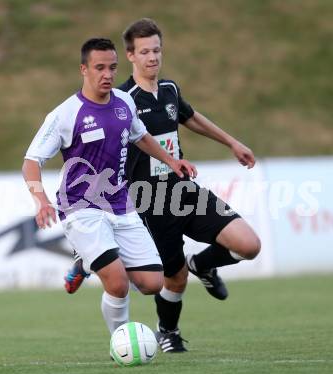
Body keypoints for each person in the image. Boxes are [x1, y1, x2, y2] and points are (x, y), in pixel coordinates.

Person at [66, 19, 261, 352]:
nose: (152, 57)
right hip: (148, 201)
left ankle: (204, 263)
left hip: (184, 190)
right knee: (170, 278)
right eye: (144, 51)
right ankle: (167, 332)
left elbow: (191, 117)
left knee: (248, 244)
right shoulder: (122, 99)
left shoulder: (169, 90)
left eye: (156, 50)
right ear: (130, 55)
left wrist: (232, 142)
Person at [22, 37, 197, 340]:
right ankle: (122, 342)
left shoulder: (124, 102)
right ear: (84, 70)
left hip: (120, 203)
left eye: (112, 68)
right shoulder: (65, 114)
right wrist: (41, 200)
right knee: (116, 282)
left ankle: (88, 259)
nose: (107, 74)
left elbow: (140, 136)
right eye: (99, 68)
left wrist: (171, 160)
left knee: (153, 283)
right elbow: (31, 160)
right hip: (80, 207)